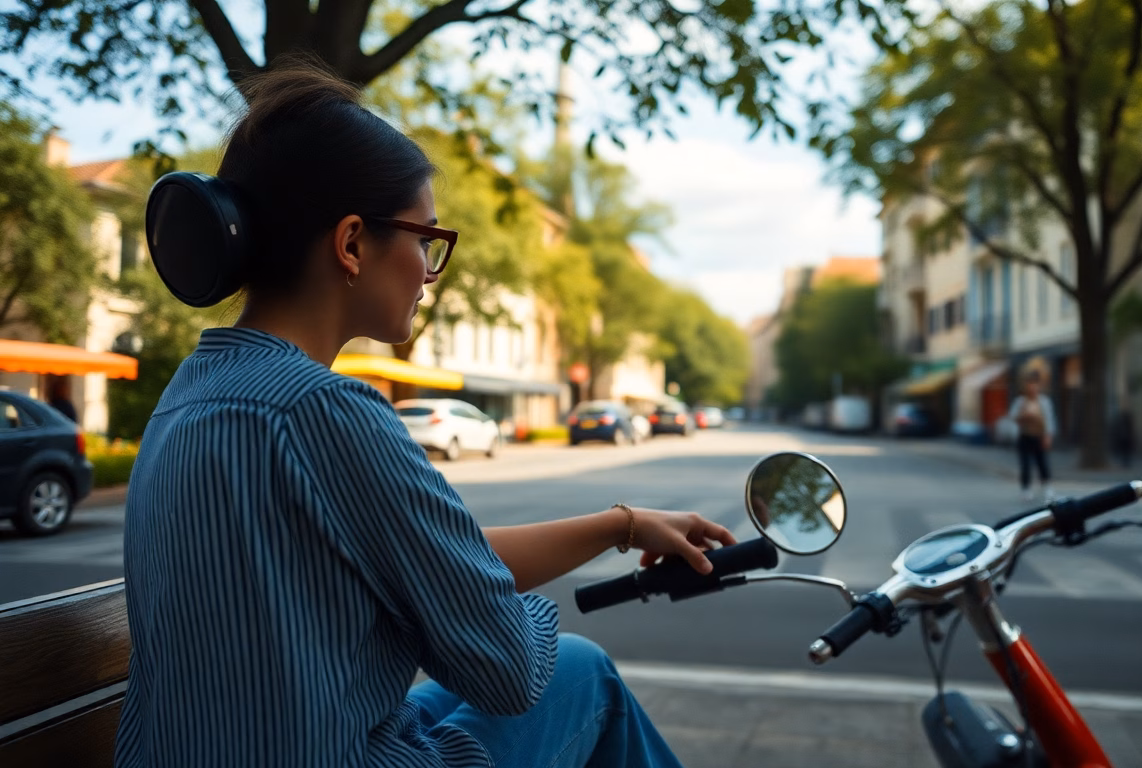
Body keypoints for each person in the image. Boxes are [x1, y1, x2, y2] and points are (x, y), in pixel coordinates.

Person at [113, 60, 734, 768]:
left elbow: (429, 558)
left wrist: (618, 526)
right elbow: (508, 669)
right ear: (352, 244)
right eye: (424, 239)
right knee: (579, 671)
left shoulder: (192, 390)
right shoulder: (326, 411)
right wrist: (461, 605)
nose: (429, 271)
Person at [1009, 369, 1057, 501]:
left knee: (1042, 462)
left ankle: (1047, 486)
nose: (1032, 388)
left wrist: (1048, 436)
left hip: (1039, 435)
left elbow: (1049, 419)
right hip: (1025, 435)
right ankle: (1026, 488)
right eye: (1029, 384)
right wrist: (1024, 416)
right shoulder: (1021, 401)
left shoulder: (1044, 402)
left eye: (1034, 385)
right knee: (1025, 464)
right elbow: (1013, 416)